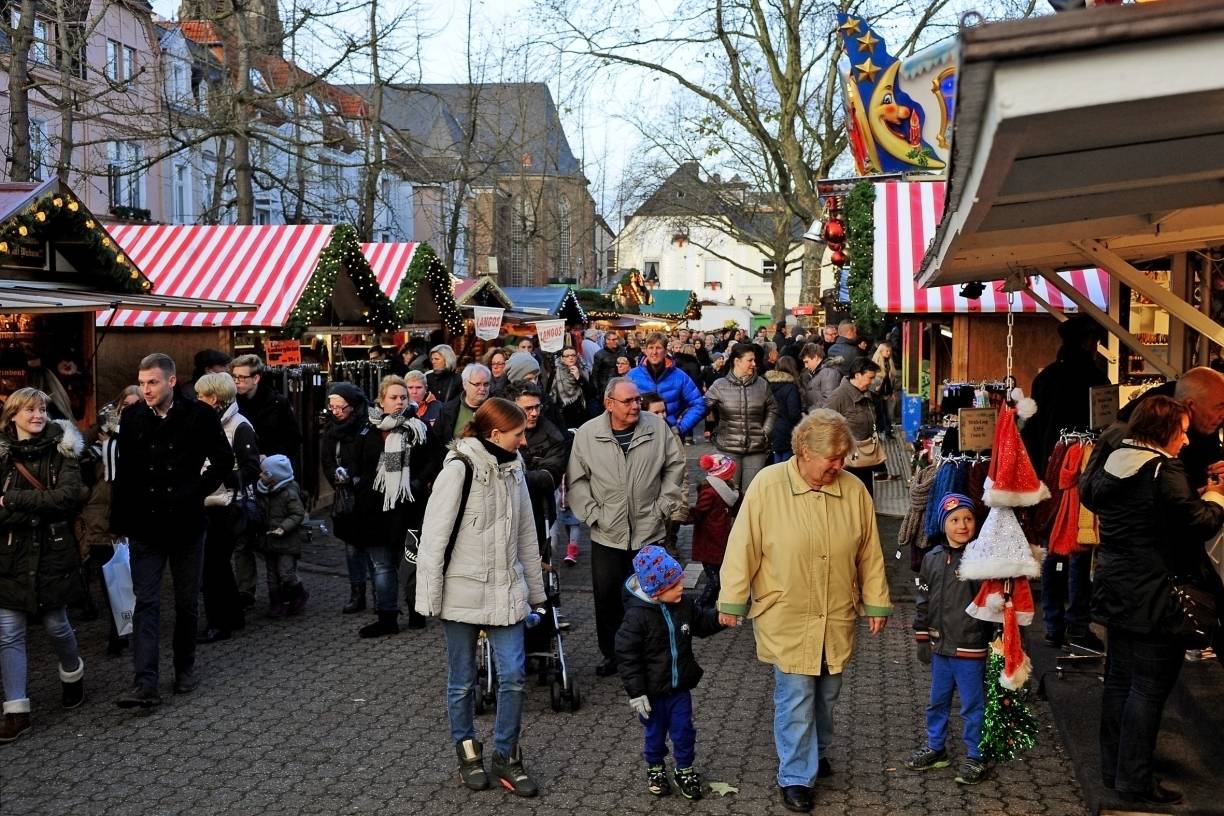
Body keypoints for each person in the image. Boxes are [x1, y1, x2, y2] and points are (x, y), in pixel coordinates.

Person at [717, 409, 891, 813]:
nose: (838, 465)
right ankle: (795, 774)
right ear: (801, 452)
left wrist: (876, 600)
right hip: (786, 611)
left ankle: (817, 750)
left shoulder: (854, 491)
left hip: (836, 611)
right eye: (831, 458)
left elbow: (870, 552)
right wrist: (732, 600)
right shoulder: (767, 485)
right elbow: (743, 545)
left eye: (842, 456)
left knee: (827, 695)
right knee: (795, 695)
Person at [1080, 396, 1224, 806]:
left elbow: (1147, 511)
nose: (1185, 439)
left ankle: (1115, 769)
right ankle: (1137, 780)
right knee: (1148, 689)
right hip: (1156, 596)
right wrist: (1217, 494)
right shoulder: (1164, 468)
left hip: (1116, 588)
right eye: (1180, 430)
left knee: (1120, 683)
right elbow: (1199, 523)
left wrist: (1193, 495)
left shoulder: (1114, 460)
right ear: (1164, 432)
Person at [415, 398, 547, 798]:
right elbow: (434, 537)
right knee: (462, 682)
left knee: (513, 676)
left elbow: (527, 533)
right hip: (460, 591)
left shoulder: (515, 470)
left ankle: (506, 755)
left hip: (506, 591)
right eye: (518, 434)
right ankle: (467, 753)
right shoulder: (458, 469)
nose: (524, 441)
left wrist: (537, 595)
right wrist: (429, 599)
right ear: (494, 434)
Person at [113, 354, 234, 708]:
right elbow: (125, 472)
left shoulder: (199, 415)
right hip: (145, 524)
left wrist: (196, 491)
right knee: (146, 602)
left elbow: (224, 461)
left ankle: (184, 668)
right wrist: (119, 522)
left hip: (185, 522)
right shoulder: (133, 417)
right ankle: (145, 682)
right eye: (142, 382)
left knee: (185, 602)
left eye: (152, 382)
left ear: (170, 381)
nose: (145, 389)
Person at [567, 377, 686, 678]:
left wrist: (663, 506)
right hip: (607, 532)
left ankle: (651, 653)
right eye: (628, 401)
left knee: (651, 595)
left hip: (650, 530)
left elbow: (675, 466)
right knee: (608, 598)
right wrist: (592, 514)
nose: (636, 406)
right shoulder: (587, 434)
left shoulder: (656, 428)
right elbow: (577, 479)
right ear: (609, 404)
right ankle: (614, 655)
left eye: (637, 401)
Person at [0, 388, 87, 742]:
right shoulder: (2, 455)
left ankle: (72, 671)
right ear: (12, 415)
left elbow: (67, 498)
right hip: (10, 553)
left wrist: (12, 499)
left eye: (41, 410)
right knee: (8, 633)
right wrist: (37, 505)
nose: (37, 415)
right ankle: (16, 710)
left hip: (53, 550)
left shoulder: (63, 449)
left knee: (56, 624)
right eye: (30, 410)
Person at [1021, 315, 1111, 650]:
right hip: (1083, 474)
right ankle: (1076, 624)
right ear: (1088, 342)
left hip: (1049, 474)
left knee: (1053, 546)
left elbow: (1031, 430)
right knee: (1080, 547)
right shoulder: (1095, 378)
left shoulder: (1047, 378)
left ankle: (1053, 623)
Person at [616, 545, 724, 800]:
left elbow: (700, 623)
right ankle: (655, 768)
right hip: (652, 694)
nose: (681, 589)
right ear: (656, 590)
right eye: (674, 586)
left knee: (684, 730)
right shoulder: (636, 617)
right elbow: (627, 657)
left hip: (679, 688)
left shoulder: (683, 604)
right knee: (654, 734)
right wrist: (637, 693)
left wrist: (720, 619)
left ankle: (684, 768)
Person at [905, 493, 992, 785]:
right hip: (940, 645)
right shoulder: (930, 559)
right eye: (954, 520)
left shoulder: (982, 557)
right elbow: (923, 600)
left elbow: (991, 603)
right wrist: (921, 636)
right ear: (943, 525)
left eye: (968, 519)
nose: (962, 525)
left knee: (972, 703)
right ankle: (936, 747)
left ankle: (976, 755)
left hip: (970, 645)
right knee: (937, 701)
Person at [352, 375, 433, 637]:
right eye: (394, 397)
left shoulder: (418, 428)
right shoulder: (368, 428)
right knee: (382, 565)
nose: (399, 402)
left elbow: (436, 458)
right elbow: (358, 463)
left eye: (403, 397)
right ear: (381, 401)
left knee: (410, 563)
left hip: (408, 507)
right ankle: (387, 617)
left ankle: (416, 611)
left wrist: (418, 482)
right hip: (376, 509)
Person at [194, 372, 261, 643]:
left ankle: (219, 623)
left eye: (201, 396)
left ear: (215, 398)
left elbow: (251, 468)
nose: (197, 400)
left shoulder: (239, 426)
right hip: (211, 501)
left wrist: (225, 476)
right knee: (218, 565)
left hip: (227, 504)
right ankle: (232, 616)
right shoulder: (210, 422)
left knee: (212, 566)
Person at [230, 354, 301, 608]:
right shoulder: (232, 406)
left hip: (273, 478)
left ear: (256, 378)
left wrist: (270, 458)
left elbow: (293, 439)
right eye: (234, 377)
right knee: (243, 538)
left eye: (242, 377)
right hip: (245, 478)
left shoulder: (277, 402)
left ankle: (286, 587)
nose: (237, 381)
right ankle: (245, 590)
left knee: (274, 536)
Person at [77, 386, 141, 656]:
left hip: (133, 510)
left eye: (135, 405)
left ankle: (128, 624)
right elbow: (77, 455)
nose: (129, 410)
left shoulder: (143, 435)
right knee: (109, 572)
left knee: (132, 571)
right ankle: (118, 630)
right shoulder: (100, 432)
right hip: (100, 511)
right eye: (125, 405)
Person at [322, 382, 375, 614]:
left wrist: (359, 478)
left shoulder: (368, 426)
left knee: (374, 548)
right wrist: (336, 476)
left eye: (340, 407)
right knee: (352, 547)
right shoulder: (331, 430)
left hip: (368, 494)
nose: (335, 412)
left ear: (352, 406)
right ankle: (357, 593)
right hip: (346, 497)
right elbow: (327, 460)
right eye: (332, 407)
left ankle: (380, 594)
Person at [507, 380, 567, 564]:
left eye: (537, 407)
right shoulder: (500, 430)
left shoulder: (553, 436)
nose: (534, 413)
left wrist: (515, 476)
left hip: (537, 512)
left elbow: (551, 476)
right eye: (528, 408)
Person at [704, 343, 778, 493]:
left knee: (752, 494)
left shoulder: (762, 385)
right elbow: (702, 407)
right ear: (737, 361)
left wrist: (765, 431)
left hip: (756, 448)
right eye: (750, 360)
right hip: (728, 448)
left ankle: (748, 518)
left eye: (754, 360)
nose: (754, 364)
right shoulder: (720, 385)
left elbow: (773, 408)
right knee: (729, 493)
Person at [256, 454, 308, 618]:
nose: (260, 475)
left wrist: (283, 528)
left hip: (286, 542)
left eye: (264, 473)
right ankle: (276, 603)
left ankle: (298, 595)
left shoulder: (289, 493)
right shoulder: (264, 491)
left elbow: (297, 514)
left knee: (286, 573)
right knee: (271, 575)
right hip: (269, 540)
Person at [626, 332, 705, 439]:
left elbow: (698, 404)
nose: (654, 352)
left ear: (666, 351)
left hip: (670, 437)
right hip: (639, 436)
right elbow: (622, 404)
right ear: (645, 350)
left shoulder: (679, 376)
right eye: (651, 347)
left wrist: (681, 427)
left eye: (658, 348)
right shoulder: (632, 376)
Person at [823, 357, 882, 497]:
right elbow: (823, 425)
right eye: (870, 377)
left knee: (865, 498)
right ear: (857, 375)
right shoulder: (838, 397)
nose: (872, 382)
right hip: (846, 461)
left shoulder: (867, 395)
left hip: (865, 458)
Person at [642, 393, 689, 558]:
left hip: (666, 498)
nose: (662, 416)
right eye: (656, 413)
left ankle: (669, 541)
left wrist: (680, 508)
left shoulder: (672, 436)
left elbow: (682, 473)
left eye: (663, 412)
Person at [691, 453, 738, 609]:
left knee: (720, 576)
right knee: (715, 579)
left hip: (721, 541)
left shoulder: (729, 490)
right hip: (709, 542)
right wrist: (682, 516)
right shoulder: (710, 492)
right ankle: (700, 605)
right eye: (730, 472)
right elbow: (698, 513)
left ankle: (712, 605)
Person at [435, 364, 492, 446]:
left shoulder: (497, 409)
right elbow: (437, 443)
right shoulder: (447, 410)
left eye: (486, 384)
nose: (482, 389)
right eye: (477, 384)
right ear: (465, 384)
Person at [766, 356, 804, 463]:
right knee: (788, 463)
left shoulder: (769, 385)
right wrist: (803, 416)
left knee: (777, 463)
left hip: (773, 428)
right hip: (788, 430)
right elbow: (793, 413)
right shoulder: (791, 388)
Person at [551, 347, 592, 429]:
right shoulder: (556, 372)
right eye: (567, 356)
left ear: (576, 357)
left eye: (573, 355)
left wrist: (578, 377)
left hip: (583, 412)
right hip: (564, 413)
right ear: (562, 358)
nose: (571, 358)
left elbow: (591, 392)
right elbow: (551, 394)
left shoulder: (583, 369)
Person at [800, 343, 841, 410]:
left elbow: (829, 400)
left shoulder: (829, 373)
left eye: (806, 362)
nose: (806, 366)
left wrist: (810, 412)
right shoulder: (819, 372)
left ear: (816, 357)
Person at [870, 342, 899, 433]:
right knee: (879, 412)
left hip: (886, 391)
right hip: (876, 392)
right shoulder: (875, 363)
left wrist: (892, 391)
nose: (888, 353)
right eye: (886, 351)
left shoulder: (889, 363)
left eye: (889, 351)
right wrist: (875, 387)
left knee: (888, 413)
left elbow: (891, 379)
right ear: (881, 351)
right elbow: (872, 379)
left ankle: (887, 431)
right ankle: (880, 431)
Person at [592, 332, 622, 399]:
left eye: (616, 339)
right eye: (613, 339)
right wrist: (597, 392)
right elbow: (595, 374)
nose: (616, 341)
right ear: (607, 341)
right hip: (605, 387)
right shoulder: (599, 354)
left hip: (620, 384)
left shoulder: (622, 350)